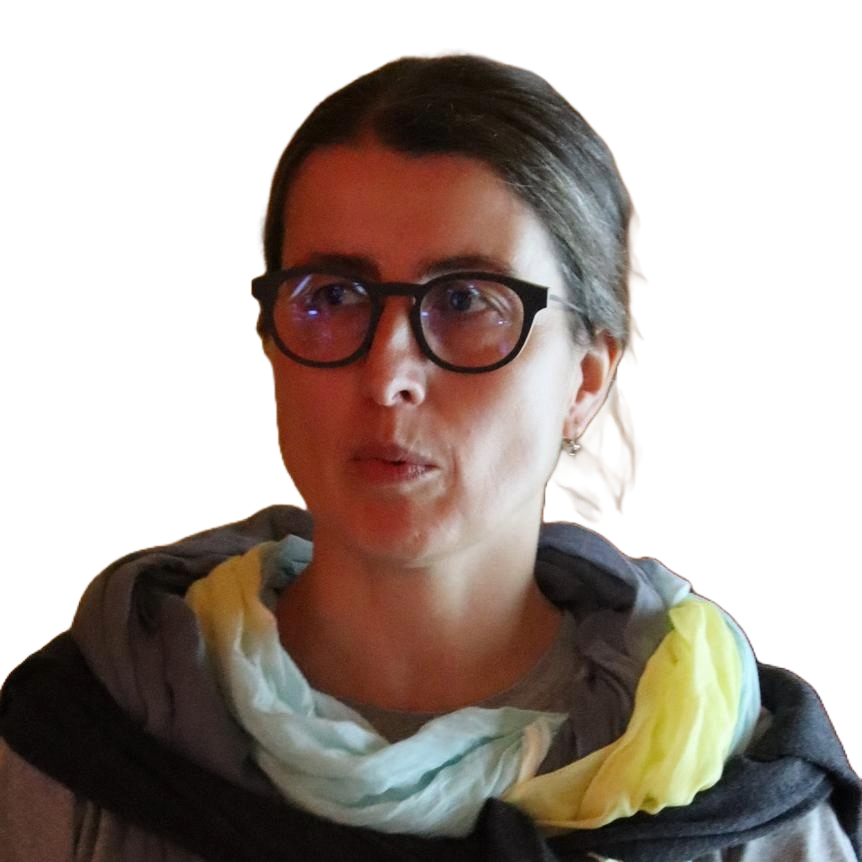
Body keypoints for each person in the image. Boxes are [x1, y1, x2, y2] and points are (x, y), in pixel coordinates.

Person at [0, 48, 859, 862]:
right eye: (333, 296)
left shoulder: (739, 801)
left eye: (466, 301)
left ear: (585, 379)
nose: (387, 375)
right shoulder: (79, 745)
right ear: (269, 343)